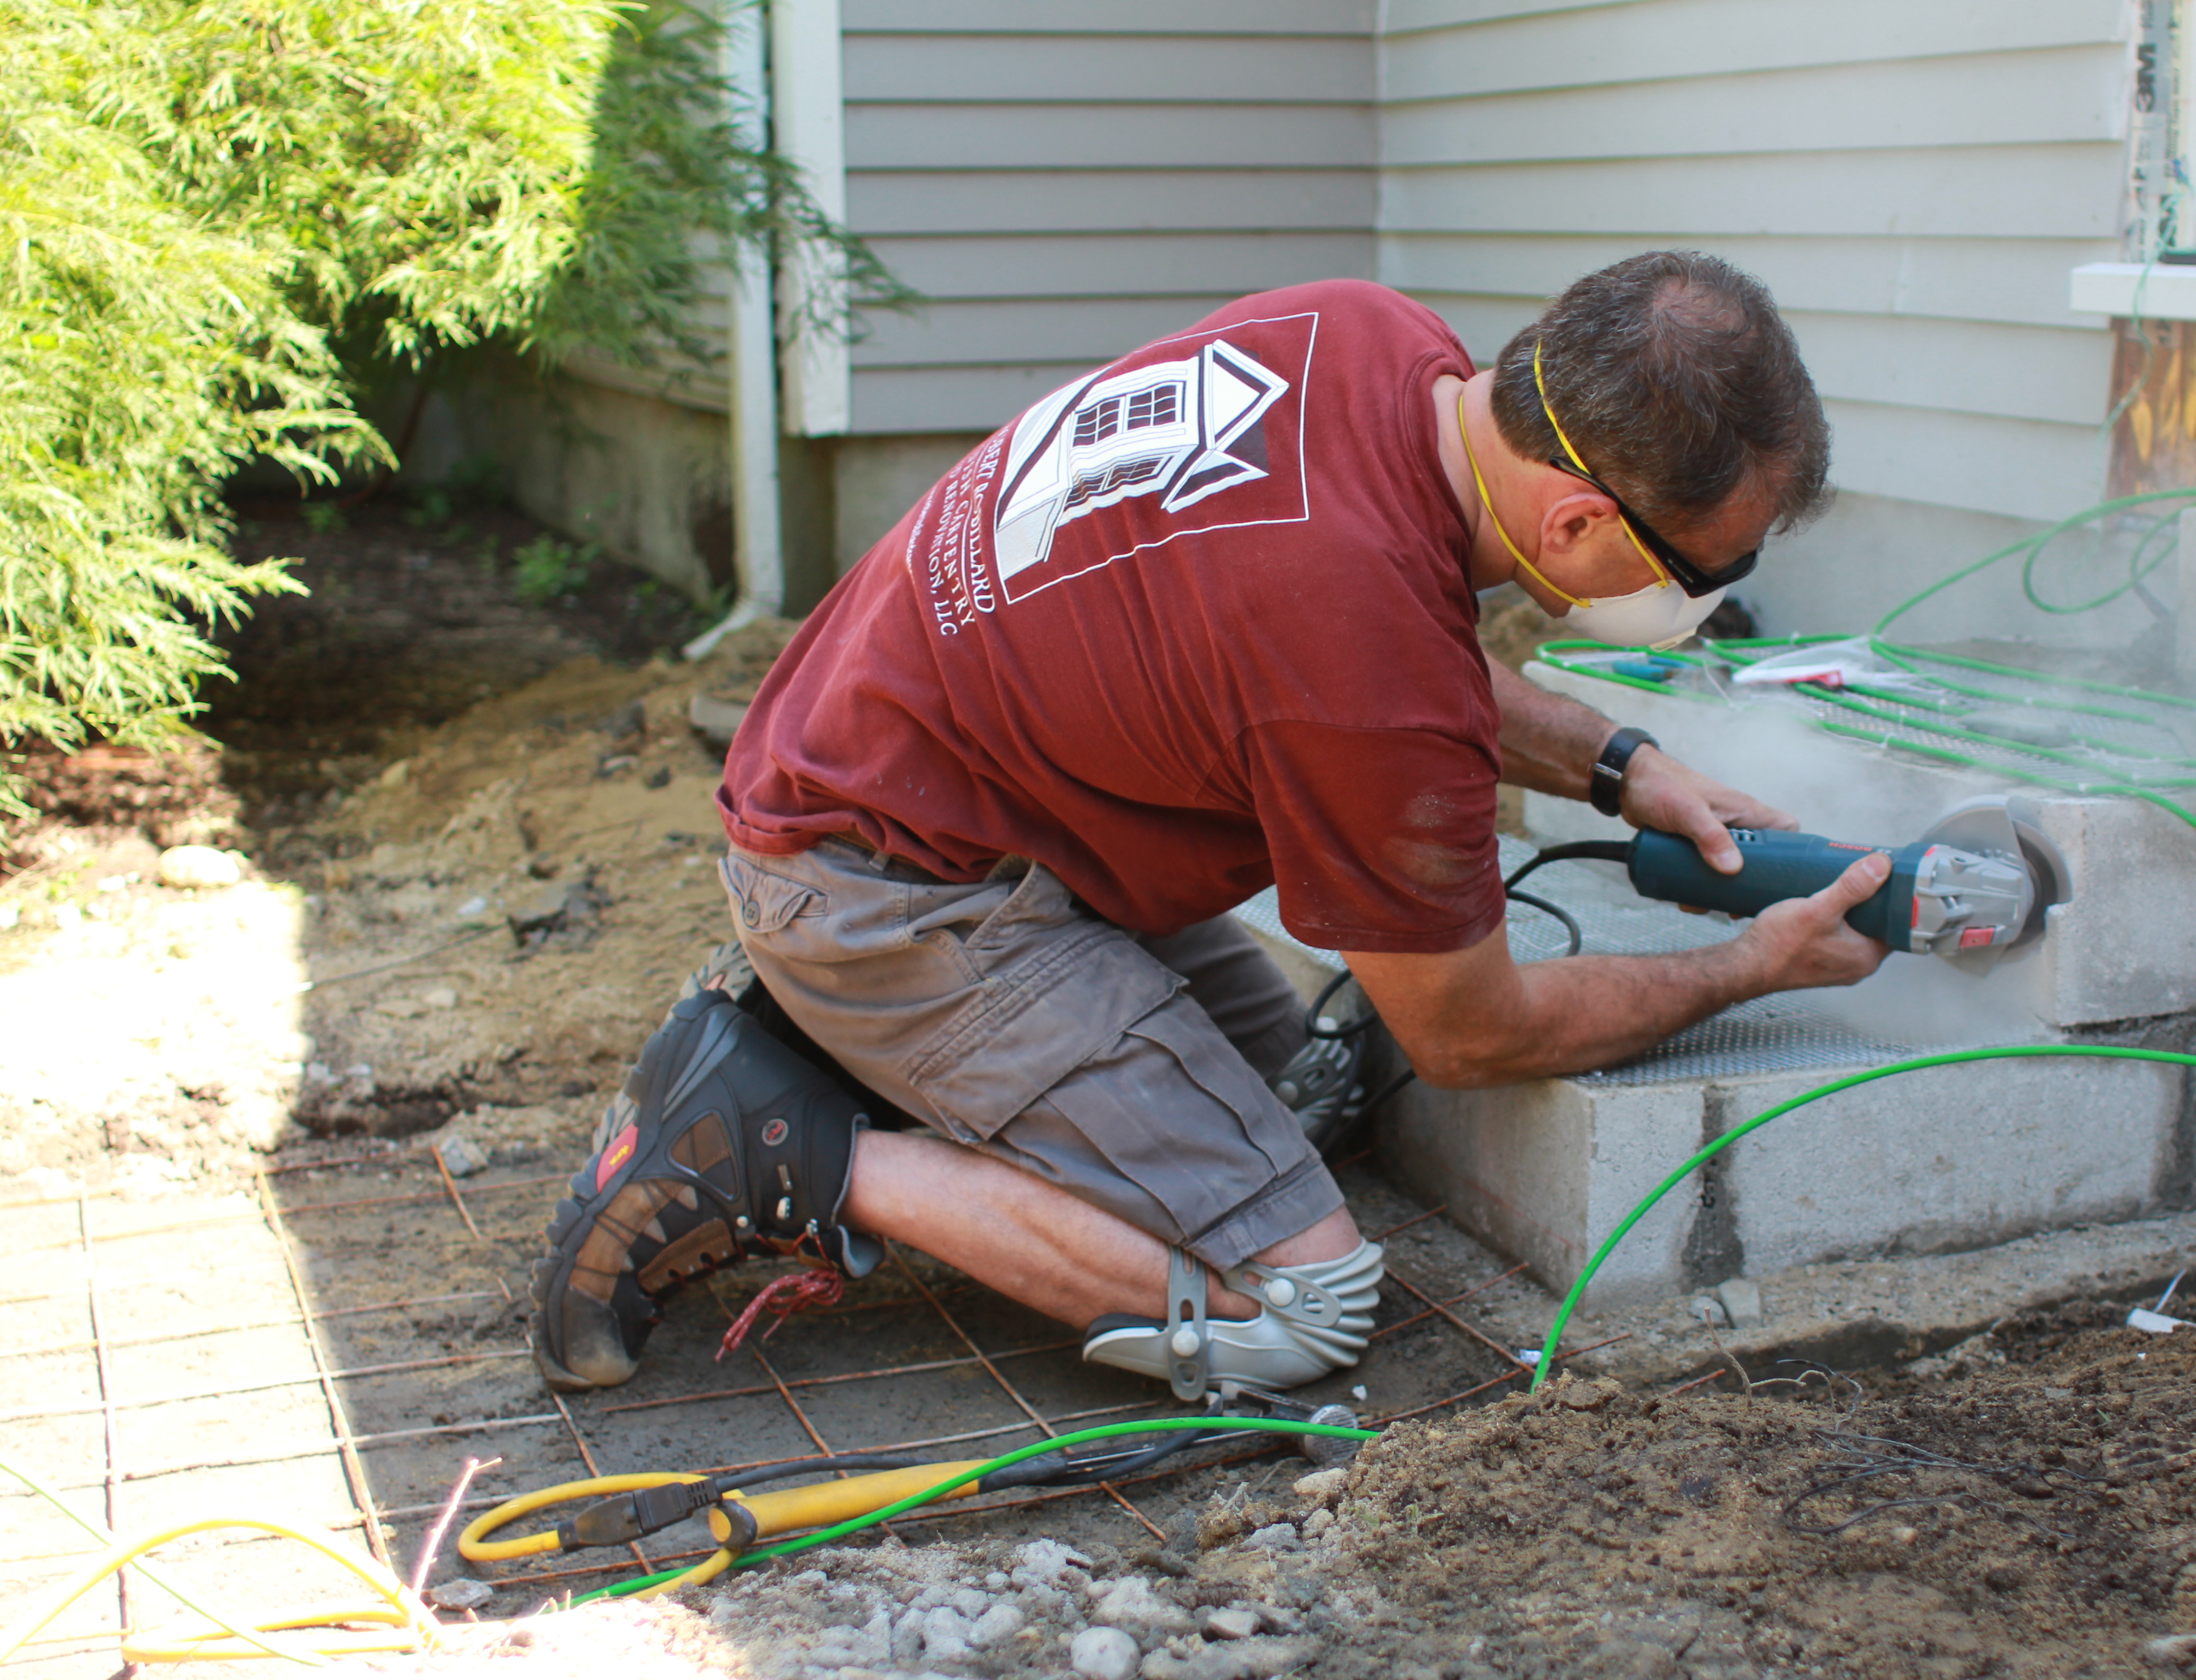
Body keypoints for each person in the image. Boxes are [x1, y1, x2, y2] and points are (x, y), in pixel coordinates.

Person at [530, 250, 1893, 1398]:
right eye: (1705, 572)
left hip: (918, 786)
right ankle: (785, 1142)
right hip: (895, 892)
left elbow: (1378, 631)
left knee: (1302, 1090)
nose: (1711, 596)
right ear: (1585, 518)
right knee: (1303, 1305)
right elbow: (1473, 1032)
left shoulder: (1372, 340)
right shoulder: (1365, 664)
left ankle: (842, 1044)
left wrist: (1622, 762)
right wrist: (1748, 968)